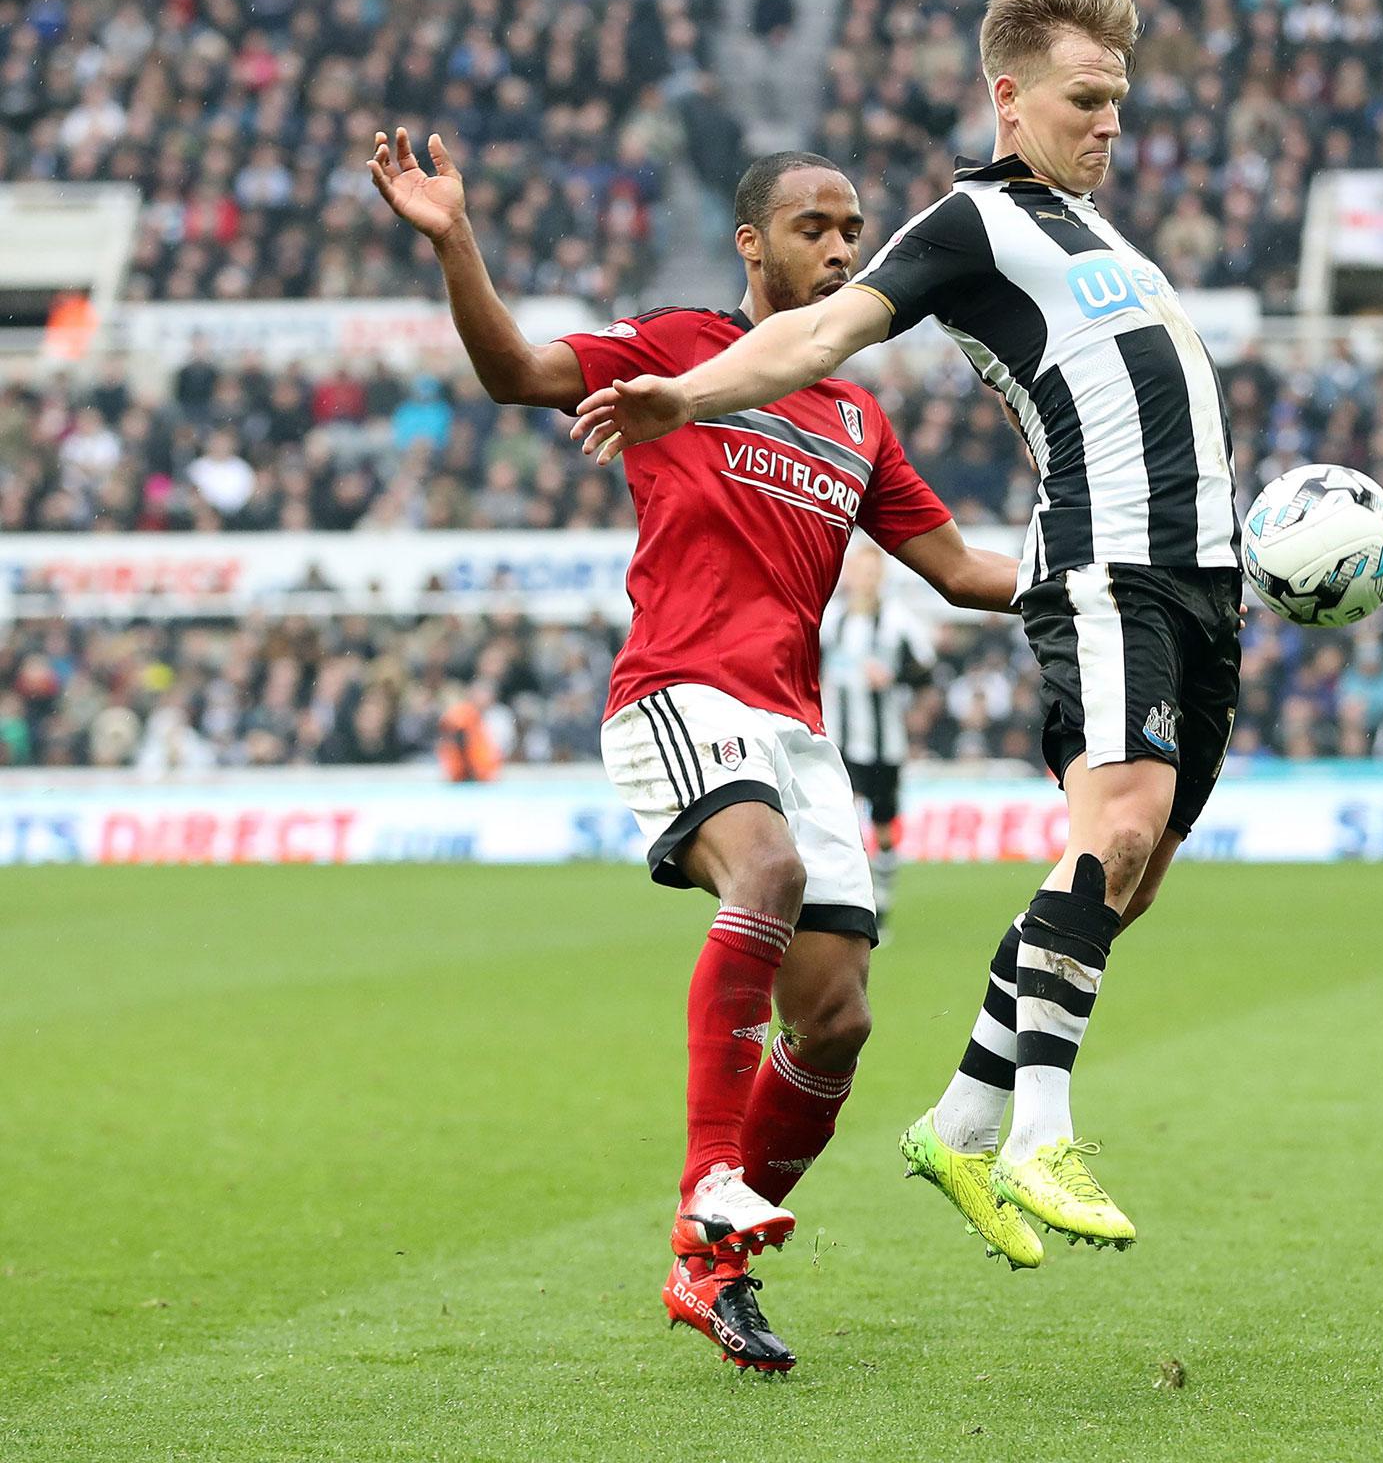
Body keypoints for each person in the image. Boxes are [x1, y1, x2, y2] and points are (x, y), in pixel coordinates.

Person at [570, 0, 1243, 1266]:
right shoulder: (972, 221)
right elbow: (816, 337)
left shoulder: (1099, 237)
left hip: (1200, 573)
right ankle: (1037, 1127)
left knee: (1129, 879)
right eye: (1084, 101)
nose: (1109, 126)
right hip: (1113, 562)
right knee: (1115, 832)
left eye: (1119, 103)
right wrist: (683, 396)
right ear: (1008, 97)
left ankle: (959, 1117)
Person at [370, 128, 1019, 1370]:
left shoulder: (855, 417)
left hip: (796, 727)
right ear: (751, 244)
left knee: (833, 1023)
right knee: (764, 876)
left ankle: (707, 1271)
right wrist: (455, 240)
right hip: (678, 692)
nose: (838, 250)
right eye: (812, 229)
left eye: (850, 231)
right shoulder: (678, 350)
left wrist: (1102, 578)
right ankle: (710, 1180)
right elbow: (512, 371)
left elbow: (960, 571)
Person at [820, 543, 936, 931]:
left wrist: (894, 677)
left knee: (884, 829)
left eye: (873, 572)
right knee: (844, 823)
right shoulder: (831, 620)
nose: (866, 580)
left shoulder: (897, 621)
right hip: (840, 740)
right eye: (860, 571)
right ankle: (851, 905)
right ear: (850, 574)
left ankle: (881, 907)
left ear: (880, 577)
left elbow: (925, 671)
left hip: (886, 743)